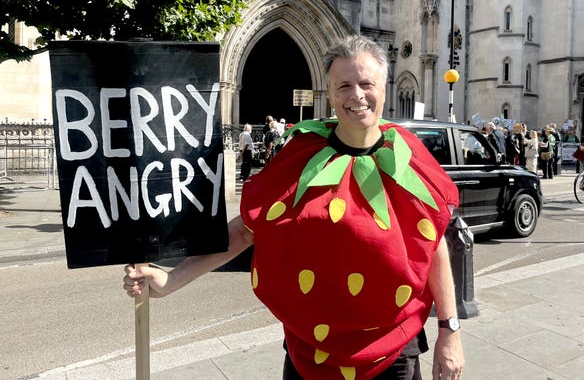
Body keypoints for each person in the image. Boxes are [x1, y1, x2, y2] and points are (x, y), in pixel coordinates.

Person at [123, 35, 464, 380]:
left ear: (384, 88)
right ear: (329, 94)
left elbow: (432, 244)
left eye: (366, 83)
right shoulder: (301, 154)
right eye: (343, 85)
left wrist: (449, 330)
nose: (357, 95)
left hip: (394, 353)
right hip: (311, 353)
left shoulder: (407, 155)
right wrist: (171, 279)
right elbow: (245, 230)